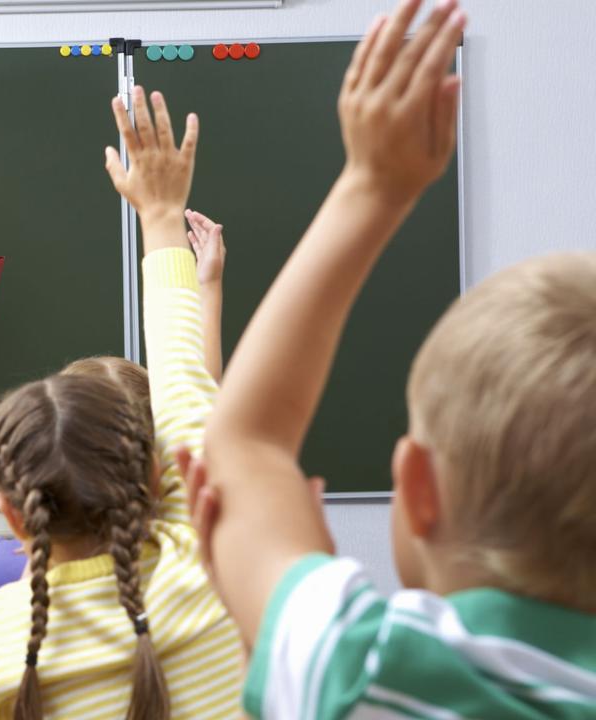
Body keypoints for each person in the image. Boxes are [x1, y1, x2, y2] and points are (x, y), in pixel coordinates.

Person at [189, 1, 593, 717]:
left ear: (418, 485)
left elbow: (243, 442)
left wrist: (375, 183)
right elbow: (249, 448)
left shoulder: (369, 672)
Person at [0, 85, 244, 720]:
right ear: (155, 471)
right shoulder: (205, 576)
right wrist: (162, 218)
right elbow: (188, 391)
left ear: (12, 514)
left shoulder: (1, 636)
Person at [0, 211, 227, 597]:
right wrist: (207, 285)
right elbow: (198, 400)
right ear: (155, 461)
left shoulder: (9, 569)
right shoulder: (191, 558)